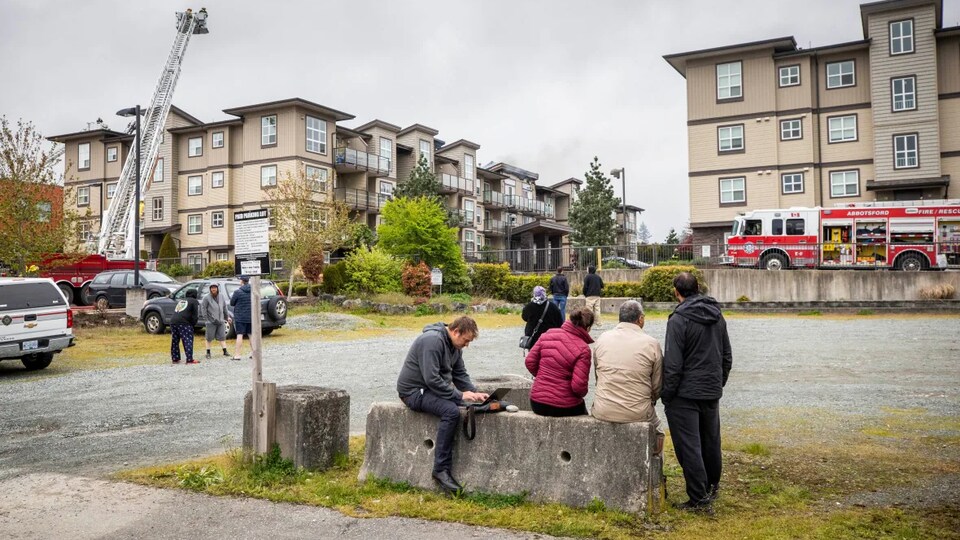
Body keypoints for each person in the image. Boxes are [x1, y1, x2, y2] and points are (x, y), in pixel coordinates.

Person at [661, 272, 733, 514]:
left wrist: (667, 395)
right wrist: (718, 382)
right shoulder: (717, 315)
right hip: (710, 389)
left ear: (676, 291)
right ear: (698, 288)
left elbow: (672, 363)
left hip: (686, 392)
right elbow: (726, 355)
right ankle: (712, 487)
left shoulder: (678, 319)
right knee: (711, 441)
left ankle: (698, 498)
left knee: (689, 445)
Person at [397, 316, 488, 494]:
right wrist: (460, 395)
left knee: (467, 403)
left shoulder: (454, 346)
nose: (466, 345)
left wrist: (474, 393)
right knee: (451, 411)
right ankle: (440, 470)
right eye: (466, 340)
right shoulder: (431, 341)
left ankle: (484, 405)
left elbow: (460, 374)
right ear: (455, 332)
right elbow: (432, 379)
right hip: (414, 392)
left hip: (431, 390)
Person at [591, 300, 664, 451]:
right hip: (638, 411)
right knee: (659, 431)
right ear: (641, 319)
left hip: (603, 409)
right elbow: (656, 386)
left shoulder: (602, 339)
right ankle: (655, 467)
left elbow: (598, 376)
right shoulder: (652, 343)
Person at [524, 308, 594, 417]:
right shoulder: (583, 348)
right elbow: (579, 387)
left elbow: (529, 361)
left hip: (537, 402)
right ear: (588, 328)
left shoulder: (548, 334)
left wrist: (543, 376)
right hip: (564, 405)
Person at [521, 285, 563, 350]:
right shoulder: (553, 307)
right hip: (549, 337)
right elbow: (560, 322)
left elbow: (524, 317)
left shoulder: (529, 306)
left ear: (534, 294)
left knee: (534, 356)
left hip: (533, 337)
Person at [200, 283, 230, 360]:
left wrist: (227, 317)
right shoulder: (206, 297)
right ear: (210, 289)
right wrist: (206, 319)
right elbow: (203, 309)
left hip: (220, 320)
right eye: (212, 288)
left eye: (215, 288)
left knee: (222, 336)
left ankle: (225, 351)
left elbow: (224, 307)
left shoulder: (221, 296)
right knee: (209, 337)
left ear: (217, 288)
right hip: (211, 321)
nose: (213, 289)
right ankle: (208, 352)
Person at [170, 289, 200, 365]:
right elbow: (195, 315)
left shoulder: (181, 300)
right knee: (187, 340)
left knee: (175, 341)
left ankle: (175, 358)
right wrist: (193, 325)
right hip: (184, 323)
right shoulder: (194, 301)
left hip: (173, 321)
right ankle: (189, 360)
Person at [229, 276, 253, 361]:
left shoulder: (237, 292)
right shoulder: (253, 291)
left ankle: (237, 355)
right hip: (251, 316)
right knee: (251, 335)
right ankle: (254, 353)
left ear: (241, 281)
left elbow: (232, 303)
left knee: (240, 335)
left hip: (240, 317)